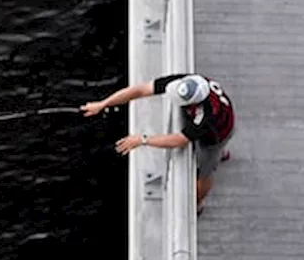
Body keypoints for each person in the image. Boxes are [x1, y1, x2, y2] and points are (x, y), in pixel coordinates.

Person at [81, 74, 235, 216]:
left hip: (217, 135)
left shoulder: (206, 115)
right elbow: (141, 90)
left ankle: (198, 202)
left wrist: (142, 140)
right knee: (216, 147)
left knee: (204, 173)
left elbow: (180, 140)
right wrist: (103, 103)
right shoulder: (187, 81)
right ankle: (222, 153)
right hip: (226, 116)